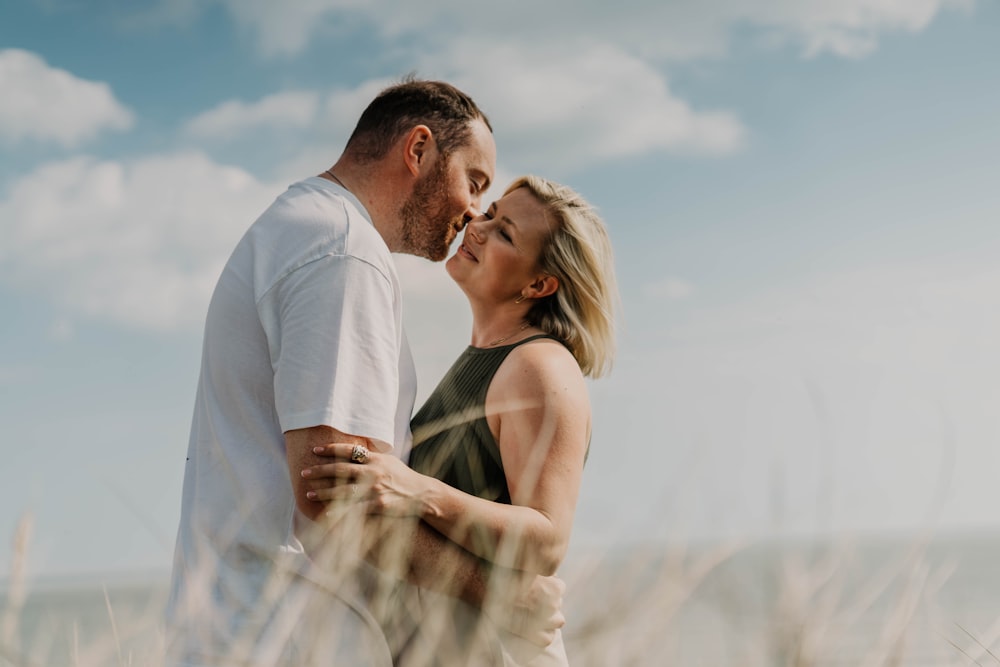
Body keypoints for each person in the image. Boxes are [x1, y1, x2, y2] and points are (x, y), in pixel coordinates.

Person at [164, 79, 561, 667]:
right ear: (418, 149)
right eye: (474, 181)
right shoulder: (342, 253)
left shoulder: (296, 224)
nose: (475, 209)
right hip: (288, 636)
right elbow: (336, 496)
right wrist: (499, 594)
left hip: (237, 625)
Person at [302, 175, 618, 665]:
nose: (477, 226)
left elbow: (546, 541)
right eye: (490, 213)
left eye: (505, 232)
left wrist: (417, 490)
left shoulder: (539, 366)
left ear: (539, 284)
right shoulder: (485, 357)